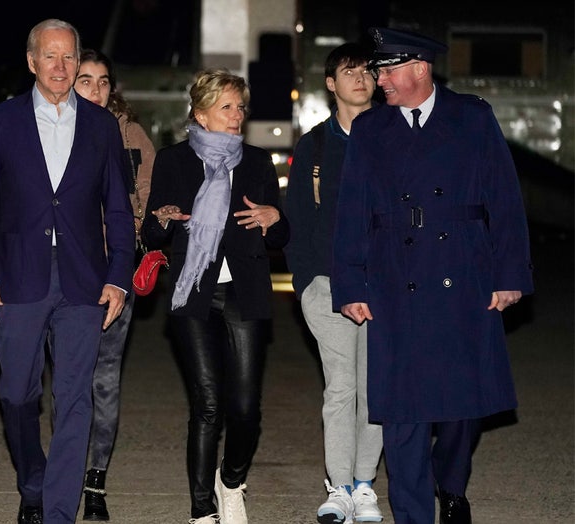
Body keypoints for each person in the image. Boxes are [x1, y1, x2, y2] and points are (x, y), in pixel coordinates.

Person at [331, 27, 535, 524]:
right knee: (403, 414)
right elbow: (352, 210)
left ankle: (451, 481)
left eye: (387, 70)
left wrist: (509, 273)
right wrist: (350, 284)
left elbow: (504, 201)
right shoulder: (371, 129)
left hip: (462, 275)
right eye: (378, 72)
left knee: (461, 409)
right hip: (395, 280)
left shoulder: (472, 118)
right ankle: (414, 515)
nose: (379, 81)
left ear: (419, 68)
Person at [0, 20, 135, 524]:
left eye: (69, 58)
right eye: (51, 57)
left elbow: (119, 209)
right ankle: (33, 482)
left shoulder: (100, 126)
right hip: (18, 277)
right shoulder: (4, 121)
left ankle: (59, 511)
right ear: (33, 62)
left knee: (75, 398)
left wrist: (118, 275)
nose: (61, 68)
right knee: (17, 393)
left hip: (85, 279)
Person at [141, 69, 290, 524]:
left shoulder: (258, 163)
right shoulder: (173, 160)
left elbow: (280, 236)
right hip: (194, 293)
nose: (237, 115)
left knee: (245, 407)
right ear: (201, 113)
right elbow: (150, 232)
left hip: (244, 292)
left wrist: (272, 218)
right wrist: (163, 220)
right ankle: (202, 509)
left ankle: (231, 481)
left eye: (240, 107)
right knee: (207, 404)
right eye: (227, 107)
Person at [283, 43, 384, 524]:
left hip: (383, 284)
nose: (360, 77)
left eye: (367, 70)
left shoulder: (391, 137)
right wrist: (305, 285)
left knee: (375, 386)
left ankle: (366, 486)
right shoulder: (314, 146)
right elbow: (297, 221)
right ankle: (339, 486)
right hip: (326, 284)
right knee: (341, 387)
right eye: (349, 71)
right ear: (331, 84)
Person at [72, 48, 156, 522]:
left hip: (112, 273)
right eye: (86, 81)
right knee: (69, 383)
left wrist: (137, 231)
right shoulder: (51, 130)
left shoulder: (130, 136)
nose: (96, 90)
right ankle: (64, 472)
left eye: (104, 82)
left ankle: (95, 481)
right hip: (59, 273)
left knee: (104, 382)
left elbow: (148, 189)